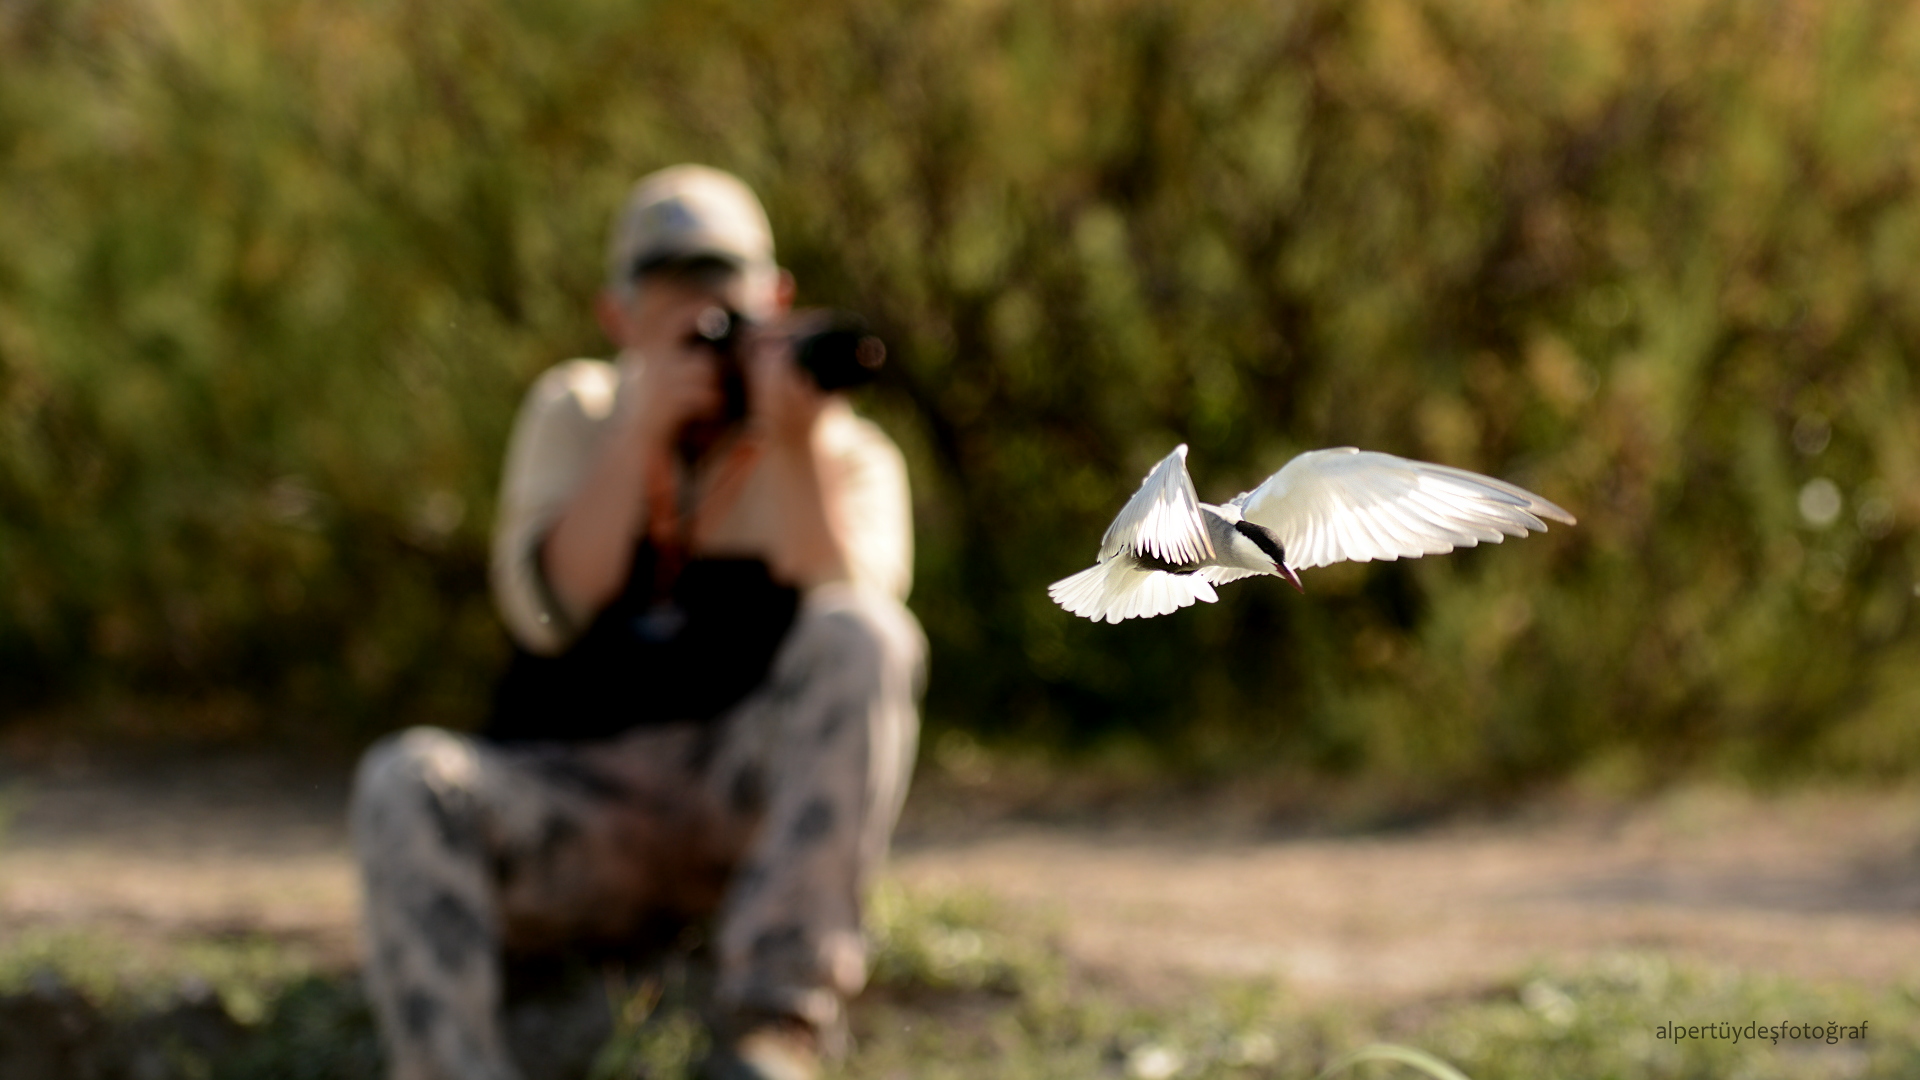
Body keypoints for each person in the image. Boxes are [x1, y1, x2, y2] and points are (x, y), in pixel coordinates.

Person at [348, 165, 924, 1080]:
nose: (702, 326)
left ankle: (777, 1024)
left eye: (723, 299)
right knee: (404, 779)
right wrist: (635, 436)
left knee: (867, 635)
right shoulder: (576, 412)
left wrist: (796, 447)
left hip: (739, 813)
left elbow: (861, 636)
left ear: (775, 301)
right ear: (618, 317)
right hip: (582, 813)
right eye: (672, 301)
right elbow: (545, 614)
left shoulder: (839, 445)